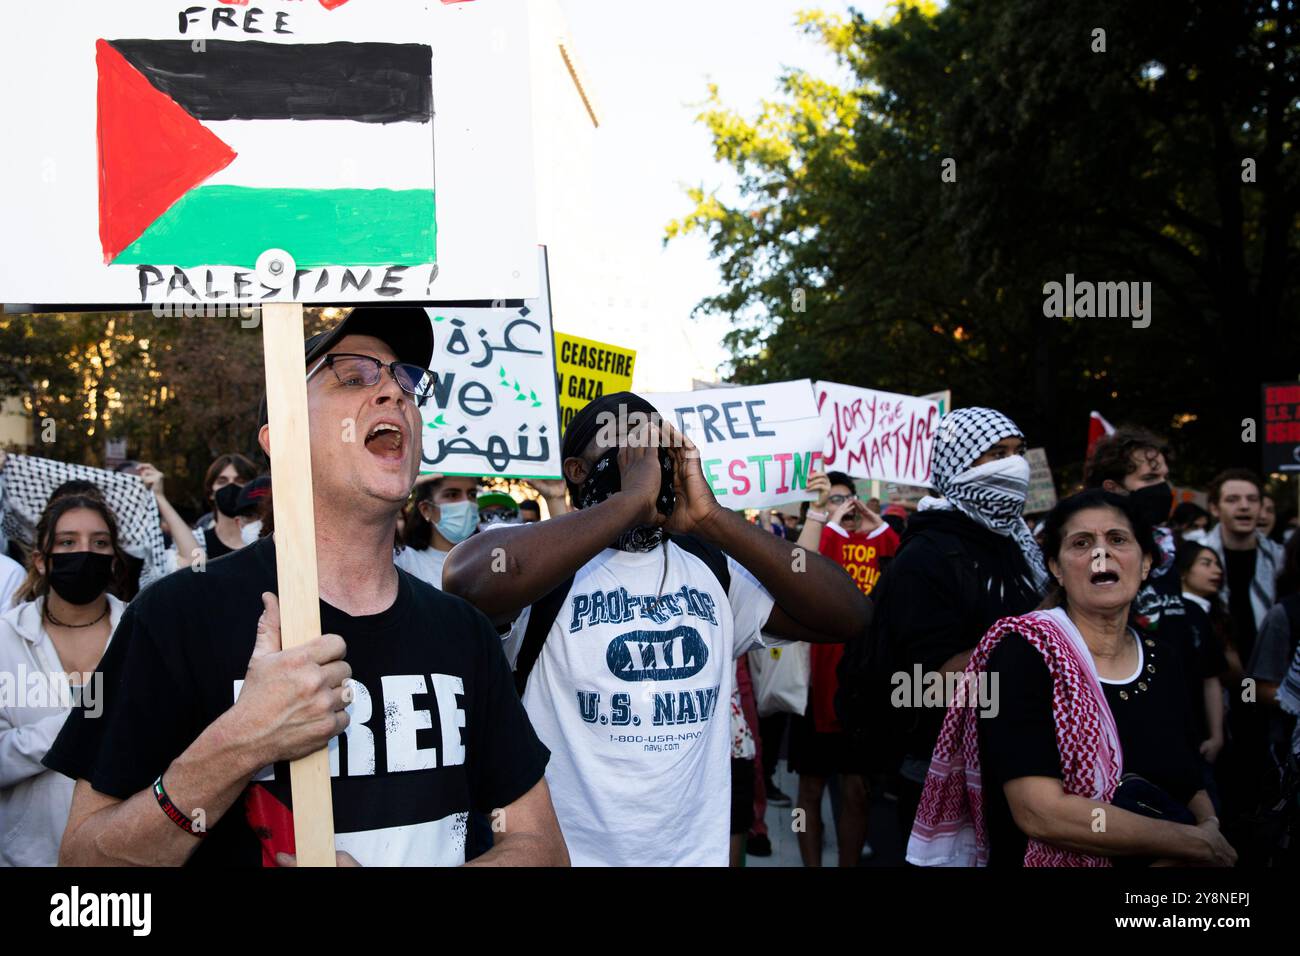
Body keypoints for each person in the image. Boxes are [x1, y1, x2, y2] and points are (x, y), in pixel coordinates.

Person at [44, 306, 567, 867]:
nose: (395, 392)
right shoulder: (176, 616)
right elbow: (84, 864)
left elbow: (538, 846)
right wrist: (240, 741)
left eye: (406, 380)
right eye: (354, 374)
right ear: (281, 436)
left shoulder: (462, 632)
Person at [442, 391, 871, 866]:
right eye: (627, 448)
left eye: (656, 447)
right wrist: (629, 502)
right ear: (578, 472)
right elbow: (467, 580)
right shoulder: (545, 568)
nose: (646, 459)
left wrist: (713, 520)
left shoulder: (711, 569)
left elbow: (849, 615)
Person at [909, 490, 1235, 867]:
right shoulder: (1024, 653)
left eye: (1117, 539)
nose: (1101, 553)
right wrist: (1189, 842)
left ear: (1145, 563)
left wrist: (1209, 826)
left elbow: (1189, 781)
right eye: (1081, 543)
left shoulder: (1164, 657)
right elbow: (1040, 812)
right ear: (1056, 568)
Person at [852, 407, 1046, 837]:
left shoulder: (1018, 543)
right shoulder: (926, 556)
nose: (1013, 465)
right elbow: (924, 683)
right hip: (942, 769)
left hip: (1021, 758)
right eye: (995, 453)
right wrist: (1034, 636)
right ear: (956, 462)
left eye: (1017, 452)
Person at [1, 493, 129, 865]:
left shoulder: (142, 634)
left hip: (123, 857)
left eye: (100, 543)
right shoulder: (6, 637)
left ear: (114, 559)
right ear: (41, 561)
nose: (85, 553)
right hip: (27, 858)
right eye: (68, 542)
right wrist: (81, 720)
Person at [788, 470, 898, 866]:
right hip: (817, 691)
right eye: (834, 499)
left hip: (861, 692)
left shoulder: (874, 544)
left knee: (857, 792)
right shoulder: (819, 539)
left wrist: (879, 526)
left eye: (849, 499)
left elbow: (898, 564)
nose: (846, 507)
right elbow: (799, 568)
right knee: (810, 793)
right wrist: (826, 521)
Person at [1201, 469, 1282, 669]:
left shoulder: (1281, 558)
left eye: (1252, 499)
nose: (1244, 506)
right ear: (1214, 508)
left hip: (1271, 672)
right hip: (1216, 673)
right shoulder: (1195, 557)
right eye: (1232, 500)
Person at [1175, 543, 1229, 770]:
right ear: (1184, 571)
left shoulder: (1214, 613)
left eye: (1217, 564)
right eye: (1206, 564)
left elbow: (1217, 676)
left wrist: (1217, 736)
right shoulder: (1181, 617)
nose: (1216, 570)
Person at [393, 473, 480, 590]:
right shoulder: (403, 561)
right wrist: (397, 490)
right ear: (426, 509)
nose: (467, 503)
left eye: (472, 494)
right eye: (452, 495)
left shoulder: (492, 559)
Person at [175, 454, 260, 569]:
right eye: (222, 481)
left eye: (240, 480)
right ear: (211, 492)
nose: (231, 486)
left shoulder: (266, 539)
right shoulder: (196, 542)